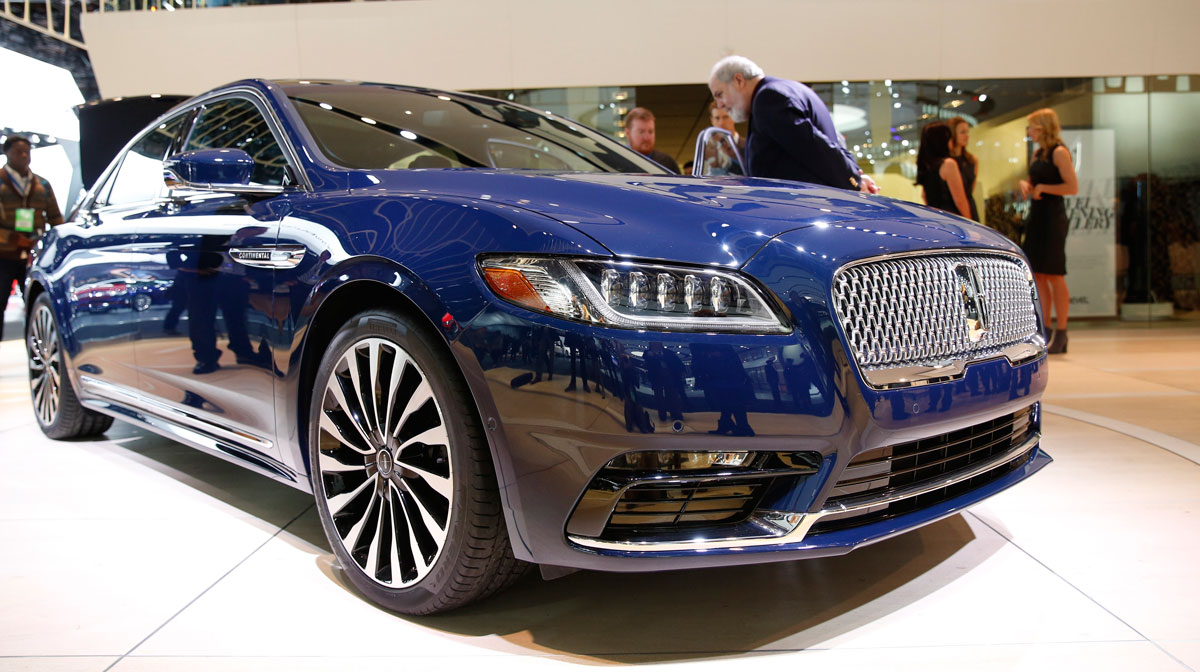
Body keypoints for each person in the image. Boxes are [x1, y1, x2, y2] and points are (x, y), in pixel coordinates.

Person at [708, 55, 878, 194]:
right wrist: (854, 177)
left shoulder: (768, 99)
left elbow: (815, 148)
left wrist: (854, 182)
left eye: (720, 94)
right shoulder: (790, 89)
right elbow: (833, 142)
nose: (720, 104)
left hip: (805, 211)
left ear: (738, 80)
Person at [1019, 108, 1078, 354]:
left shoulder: (1059, 152)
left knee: (1055, 275)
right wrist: (1028, 185)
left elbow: (1071, 186)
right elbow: (1035, 183)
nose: (1029, 132)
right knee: (1040, 275)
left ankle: (1062, 332)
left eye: (1032, 127)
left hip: (1053, 218)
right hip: (1037, 217)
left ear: (1042, 128)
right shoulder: (1038, 153)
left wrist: (1045, 187)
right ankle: (1044, 328)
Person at [1, 135, 63, 342]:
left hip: (33, 255)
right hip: (4, 255)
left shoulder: (41, 184)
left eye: (27, 152)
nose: (24, 156)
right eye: (19, 152)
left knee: (35, 305)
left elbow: (55, 218)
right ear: (7, 153)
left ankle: (37, 351)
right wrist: (13, 239)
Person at [915, 122, 972, 219]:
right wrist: (971, 224)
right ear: (942, 140)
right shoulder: (948, 164)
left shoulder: (926, 166)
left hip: (937, 220)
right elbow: (960, 201)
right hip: (954, 220)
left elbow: (924, 195)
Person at [623, 107, 680, 174]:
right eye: (641, 132)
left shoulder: (668, 163)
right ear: (627, 133)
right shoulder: (616, 162)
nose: (647, 138)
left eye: (650, 132)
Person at [947, 116, 980, 221]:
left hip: (969, 209)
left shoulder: (972, 160)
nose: (967, 136)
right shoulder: (946, 162)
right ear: (953, 134)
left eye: (967, 132)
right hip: (950, 213)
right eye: (962, 132)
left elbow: (970, 190)